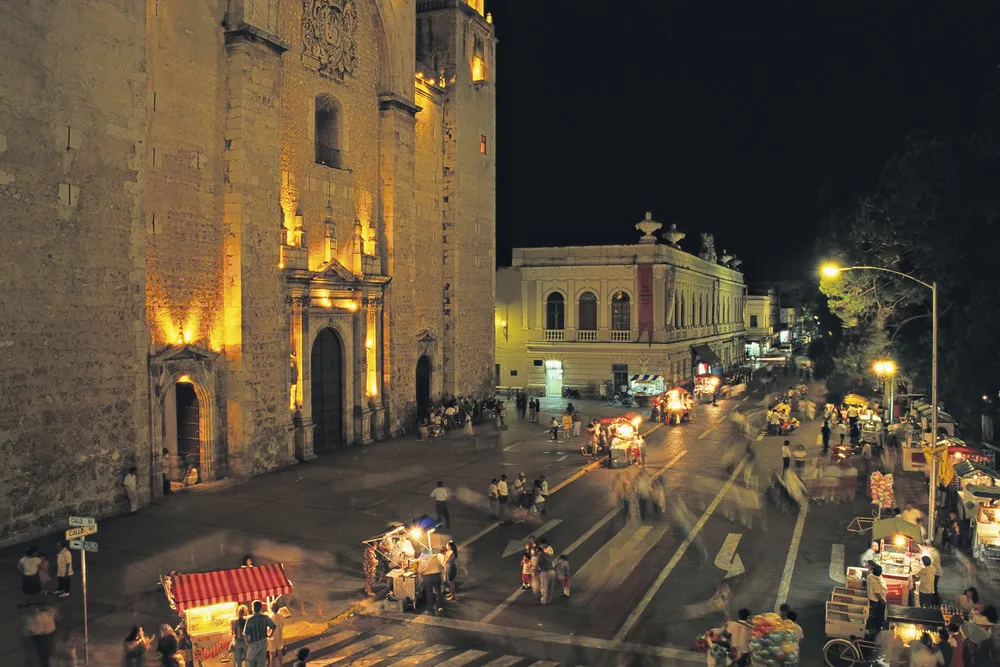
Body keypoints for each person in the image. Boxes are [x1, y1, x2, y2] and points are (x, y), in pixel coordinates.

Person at [23, 602, 58, 667]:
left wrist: (28, 632)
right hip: (48, 634)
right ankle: (46, 663)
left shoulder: (35, 615)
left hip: (40, 635)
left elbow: (30, 627)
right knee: (47, 652)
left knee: (42, 652)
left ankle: (45, 663)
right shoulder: (51, 612)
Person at [243, 600, 276, 667]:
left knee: (250, 660)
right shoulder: (265, 617)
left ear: (253, 608)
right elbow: (274, 626)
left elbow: (245, 633)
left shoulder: (250, 619)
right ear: (260, 608)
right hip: (263, 641)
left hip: (253, 642)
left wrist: (247, 642)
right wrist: (270, 635)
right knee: (262, 661)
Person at [867, 564, 888, 637]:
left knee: (872, 614)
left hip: (870, 598)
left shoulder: (870, 577)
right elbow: (877, 594)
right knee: (876, 616)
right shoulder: (877, 582)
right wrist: (883, 601)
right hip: (875, 601)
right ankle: (874, 631)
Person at [267, 601, 285, 667]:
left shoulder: (270, 617)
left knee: (272, 655)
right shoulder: (281, 616)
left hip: (271, 637)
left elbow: (268, 628)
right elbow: (282, 625)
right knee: (279, 651)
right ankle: (281, 665)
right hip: (279, 636)